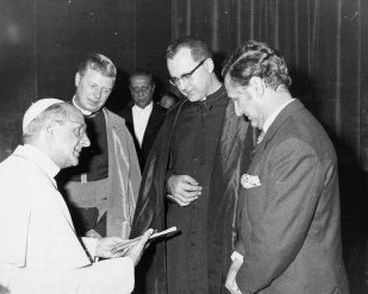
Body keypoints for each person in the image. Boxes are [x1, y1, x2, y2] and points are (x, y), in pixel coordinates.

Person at [0, 98, 153, 294]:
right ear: (51, 131)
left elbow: (38, 252)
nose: (87, 141)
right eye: (78, 131)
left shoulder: (19, 174)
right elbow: (59, 284)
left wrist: (94, 247)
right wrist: (127, 264)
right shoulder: (31, 183)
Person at [223, 40, 349, 294]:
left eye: (237, 99)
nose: (237, 111)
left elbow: (276, 238)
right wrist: (239, 257)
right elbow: (260, 214)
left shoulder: (295, 142)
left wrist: (241, 282)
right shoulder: (282, 132)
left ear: (257, 86)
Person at [130, 36, 254, 294]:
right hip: (181, 243)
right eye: (175, 79)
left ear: (208, 65)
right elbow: (154, 174)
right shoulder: (175, 116)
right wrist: (168, 183)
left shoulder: (242, 111)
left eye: (187, 75)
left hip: (224, 240)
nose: (182, 86)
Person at [58, 53, 141, 239]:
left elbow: (128, 189)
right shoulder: (51, 121)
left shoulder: (118, 128)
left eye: (106, 90)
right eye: (93, 86)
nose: (97, 96)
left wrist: (102, 230)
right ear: (78, 79)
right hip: (61, 217)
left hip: (106, 220)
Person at [120, 70, 166, 171]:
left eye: (144, 88)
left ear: (153, 88)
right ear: (130, 90)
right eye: (135, 89)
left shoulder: (167, 116)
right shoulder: (119, 118)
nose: (140, 94)